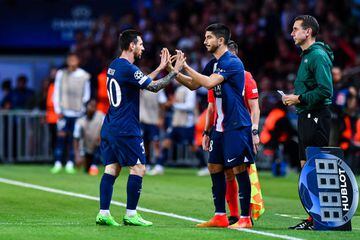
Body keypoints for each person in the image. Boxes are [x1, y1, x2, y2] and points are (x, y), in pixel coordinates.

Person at [95, 29, 186, 227]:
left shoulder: (115, 65)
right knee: (138, 168)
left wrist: (161, 67)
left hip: (110, 125)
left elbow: (142, 81)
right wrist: (174, 72)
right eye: (141, 44)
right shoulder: (128, 68)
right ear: (131, 46)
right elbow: (153, 87)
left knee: (112, 168)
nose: (143, 48)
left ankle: (103, 213)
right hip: (126, 128)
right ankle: (131, 214)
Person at [172, 23, 254, 229]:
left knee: (238, 169)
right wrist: (173, 72)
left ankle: (245, 218)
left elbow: (209, 83)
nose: (205, 41)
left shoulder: (233, 62)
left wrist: (185, 66)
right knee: (214, 167)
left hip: (236, 125)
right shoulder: (214, 63)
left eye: (208, 37)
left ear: (221, 40)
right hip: (220, 127)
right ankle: (220, 215)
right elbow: (194, 84)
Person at [283, 15, 333, 230]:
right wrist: (295, 98)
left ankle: (321, 219)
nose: (292, 33)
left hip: (317, 115)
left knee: (313, 168)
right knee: (306, 168)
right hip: (306, 115)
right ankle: (314, 218)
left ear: (308, 32)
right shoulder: (306, 56)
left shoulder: (318, 56)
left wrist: (299, 98)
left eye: (295, 29)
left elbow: (325, 90)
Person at [52, 52, 91, 174]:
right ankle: (58, 162)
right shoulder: (61, 74)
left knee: (73, 139)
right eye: (70, 59)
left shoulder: (84, 75)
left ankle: (70, 162)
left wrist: (82, 109)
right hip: (64, 111)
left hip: (77, 112)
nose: (72, 62)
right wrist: (58, 109)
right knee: (61, 137)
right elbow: (57, 91)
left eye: (74, 59)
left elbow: (86, 94)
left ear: (78, 61)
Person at [148, 82, 196, 175]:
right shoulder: (178, 89)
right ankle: (159, 166)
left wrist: (174, 104)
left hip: (186, 123)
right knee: (167, 142)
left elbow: (190, 106)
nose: (175, 80)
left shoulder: (190, 89)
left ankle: (204, 165)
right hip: (176, 122)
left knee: (192, 146)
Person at [73, 99, 105, 175]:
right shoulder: (80, 121)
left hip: (98, 145)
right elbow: (76, 138)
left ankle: (95, 165)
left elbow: (107, 128)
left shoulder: (101, 116)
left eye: (94, 106)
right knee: (85, 168)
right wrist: (77, 155)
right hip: (85, 147)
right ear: (86, 107)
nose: (92, 108)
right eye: (91, 106)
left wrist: (101, 136)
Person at [139, 88, 167, 170]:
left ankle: (159, 164)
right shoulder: (140, 86)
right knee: (144, 143)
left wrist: (161, 118)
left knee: (156, 143)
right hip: (142, 119)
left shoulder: (159, 88)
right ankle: (147, 163)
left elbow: (162, 104)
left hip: (154, 120)